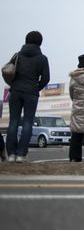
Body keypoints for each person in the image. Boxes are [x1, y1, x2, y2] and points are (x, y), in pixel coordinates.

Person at [5, 31, 50, 163]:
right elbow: (46, 78)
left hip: (16, 91)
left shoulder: (18, 55)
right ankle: (21, 154)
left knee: (13, 122)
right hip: (31, 92)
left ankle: (11, 154)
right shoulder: (42, 58)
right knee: (27, 122)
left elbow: (9, 70)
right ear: (40, 42)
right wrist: (36, 87)